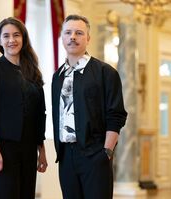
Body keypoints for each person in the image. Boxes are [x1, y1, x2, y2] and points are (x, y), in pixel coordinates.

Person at [51, 14, 127, 199]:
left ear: (88, 38)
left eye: (79, 33)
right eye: (68, 33)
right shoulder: (57, 76)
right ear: (61, 37)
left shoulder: (106, 73)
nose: (73, 37)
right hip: (66, 157)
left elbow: (116, 115)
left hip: (95, 154)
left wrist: (106, 152)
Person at [0, 17, 47, 199]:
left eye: (16, 35)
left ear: (23, 39)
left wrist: (42, 151)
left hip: (28, 147)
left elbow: (40, 114)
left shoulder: (32, 71)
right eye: (6, 36)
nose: (11, 40)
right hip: (0, 146)